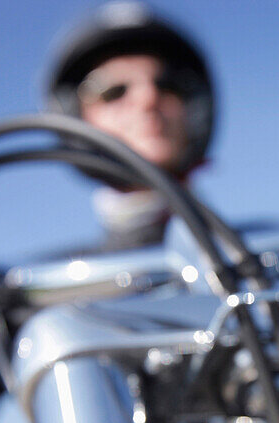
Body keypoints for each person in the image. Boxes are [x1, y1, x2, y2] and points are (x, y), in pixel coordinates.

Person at [42, 1, 215, 251]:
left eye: (169, 85)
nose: (148, 99)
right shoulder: (40, 278)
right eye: (113, 91)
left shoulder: (274, 255)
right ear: (74, 118)